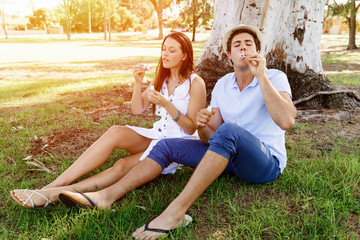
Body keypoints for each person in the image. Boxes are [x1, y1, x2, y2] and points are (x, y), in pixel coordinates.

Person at [55, 24, 296, 240]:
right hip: (229, 161)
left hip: (266, 164)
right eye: (237, 44)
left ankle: (175, 213)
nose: (243, 48)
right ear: (229, 54)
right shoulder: (223, 85)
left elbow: (286, 121)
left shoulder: (275, 77)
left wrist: (261, 75)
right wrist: (203, 125)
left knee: (230, 130)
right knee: (166, 145)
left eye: (248, 44)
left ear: (258, 51)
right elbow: (212, 139)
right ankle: (106, 197)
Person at [10, 31, 206, 208]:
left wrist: (167, 105)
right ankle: (57, 183)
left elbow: (190, 129)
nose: (165, 54)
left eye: (172, 50)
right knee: (115, 131)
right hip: (157, 134)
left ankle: (53, 195)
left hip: (175, 144)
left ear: (185, 55)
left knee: (121, 166)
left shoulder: (195, 83)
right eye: (164, 49)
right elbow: (137, 109)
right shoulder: (161, 77)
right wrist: (138, 84)